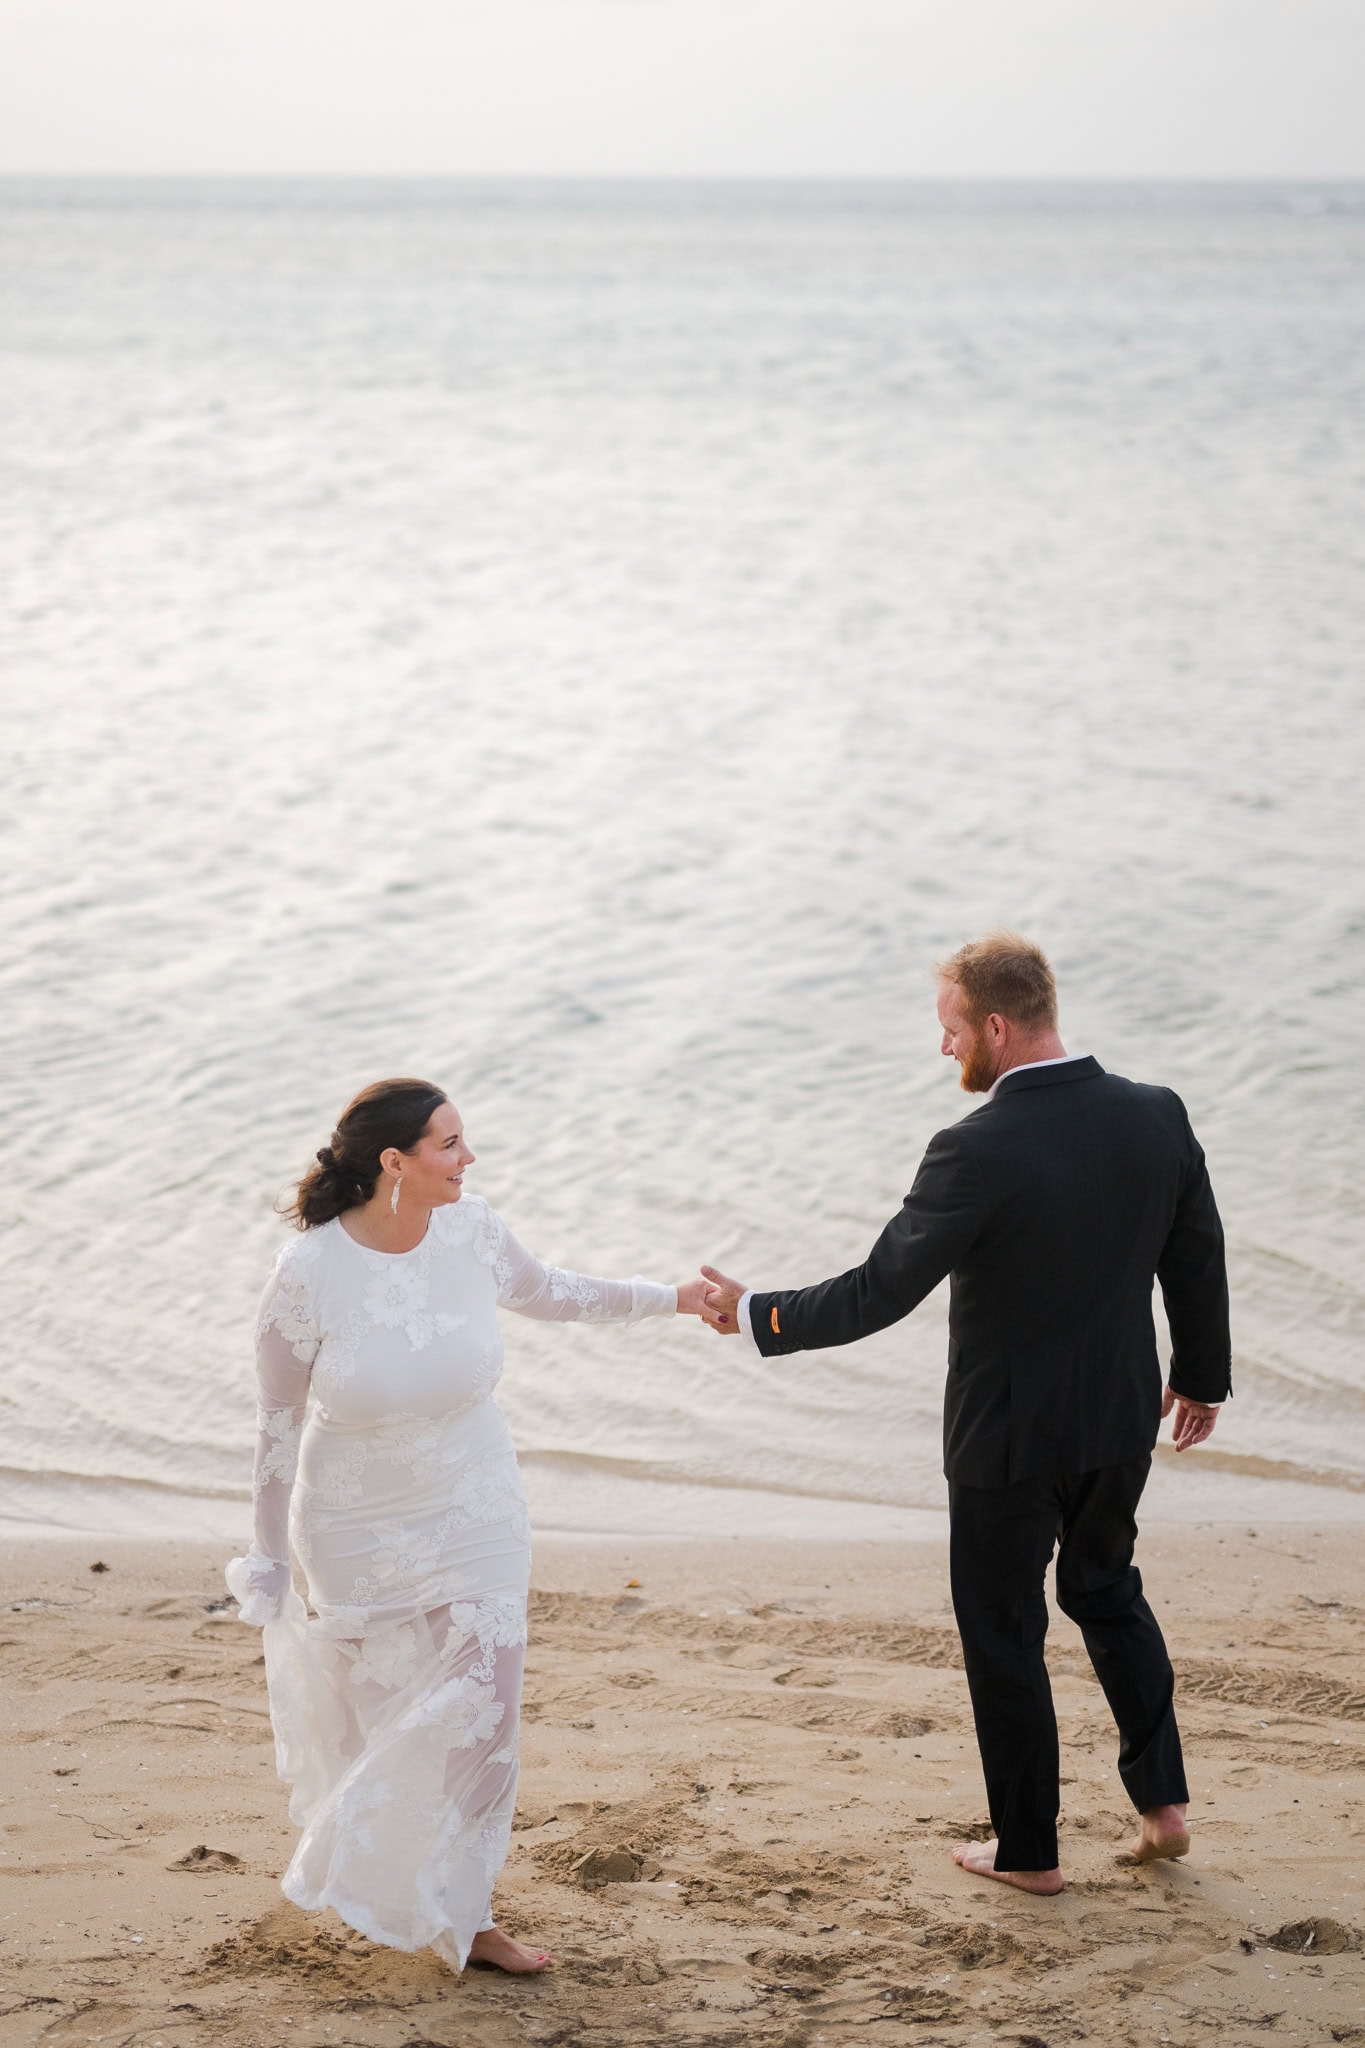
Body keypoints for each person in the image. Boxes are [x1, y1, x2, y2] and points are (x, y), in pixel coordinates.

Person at [701, 932, 1230, 1895]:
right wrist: (1200, 1379)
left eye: (949, 1029)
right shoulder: (1157, 1115)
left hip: (1005, 1442)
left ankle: (1028, 1853)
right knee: (1107, 1593)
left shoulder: (975, 1145)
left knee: (1001, 1632)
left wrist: (752, 1312)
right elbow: (1194, 1256)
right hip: (1120, 1420)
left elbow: (877, 1291)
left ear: (994, 1024)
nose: (943, 1048)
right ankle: (1162, 1805)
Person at [225, 1078, 711, 1972]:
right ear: (393, 1162)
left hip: (475, 1503)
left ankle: (467, 1914)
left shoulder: (472, 1229)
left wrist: (671, 1297)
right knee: (389, 1713)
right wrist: (264, 1557)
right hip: (354, 1524)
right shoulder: (307, 1273)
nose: (469, 1158)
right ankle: (392, 1877)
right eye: (449, 1144)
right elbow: (275, 1429)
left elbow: (553, 1292)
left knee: (486, 1708)